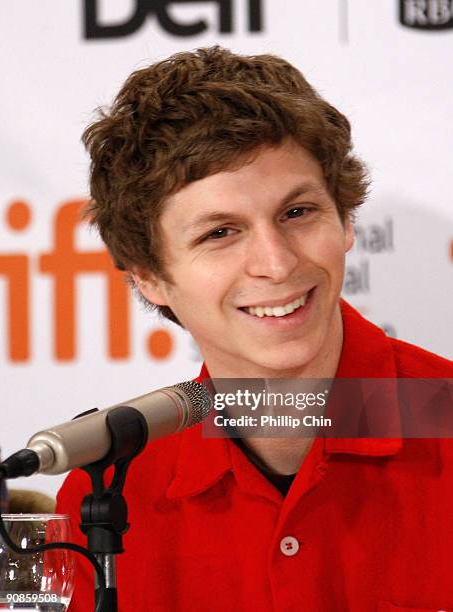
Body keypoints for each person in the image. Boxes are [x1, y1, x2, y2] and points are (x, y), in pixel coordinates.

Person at [57, 46, 453, 611]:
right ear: (149, 278)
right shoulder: (106, 494)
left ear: (345, 220)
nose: (277, 263)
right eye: (220, 232)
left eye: (297, 213)